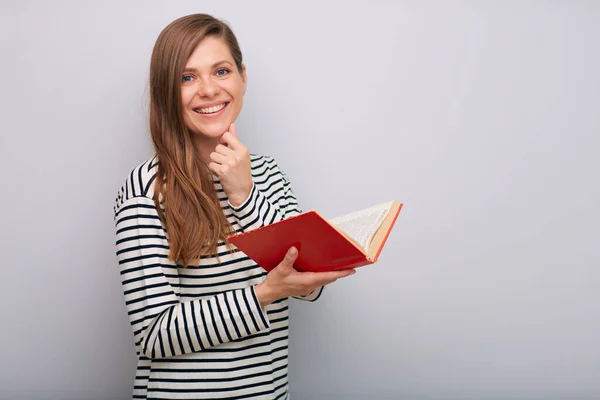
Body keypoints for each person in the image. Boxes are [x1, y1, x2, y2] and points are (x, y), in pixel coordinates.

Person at [113, 13, 356, 400]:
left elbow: (310, 286)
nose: (208, 89)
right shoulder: (146, 190)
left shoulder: (268, 174)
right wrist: (264, 293)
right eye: (186, 77)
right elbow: (155, 334)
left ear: (243, 77)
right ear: (165, 91)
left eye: (221, 71)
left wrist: (245, 195)